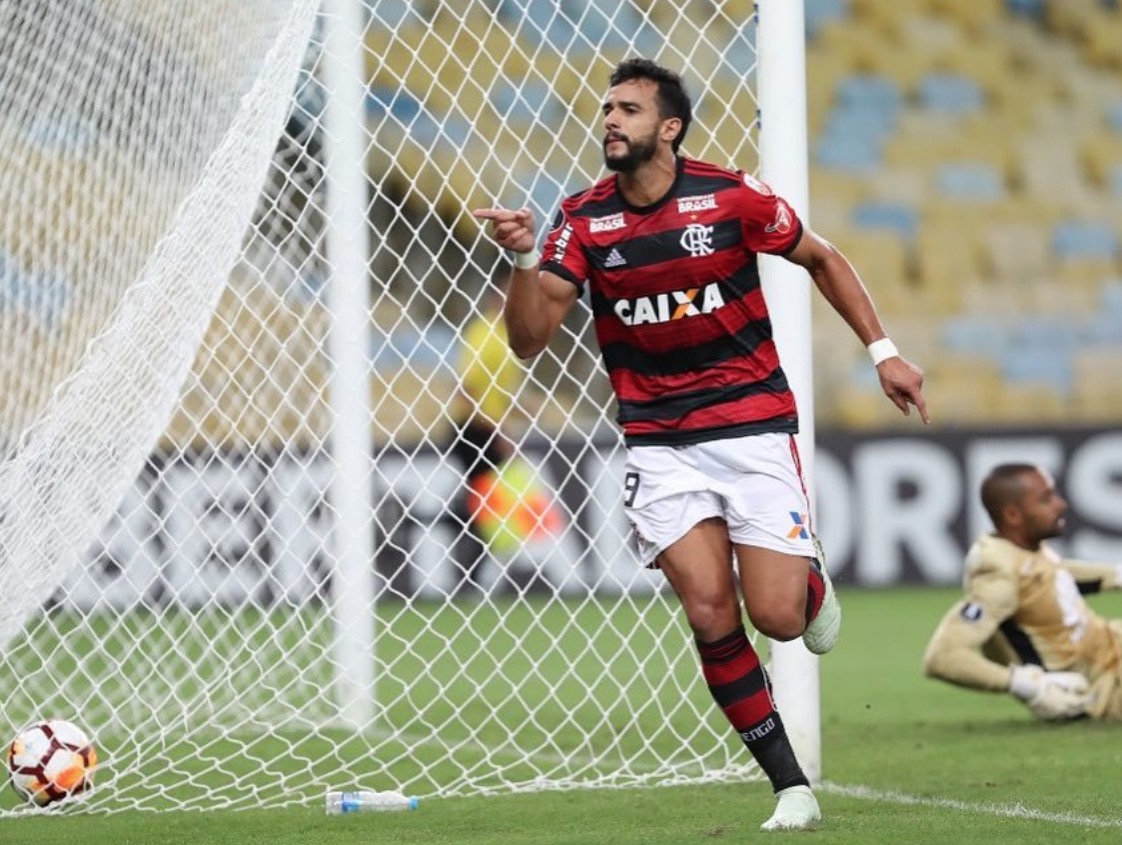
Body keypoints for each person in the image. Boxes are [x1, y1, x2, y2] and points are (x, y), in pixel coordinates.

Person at [473, 58, 928, 831]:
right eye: (607, 108)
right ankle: (790, 785)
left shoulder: (731, 196)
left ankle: (809, 586)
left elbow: (820, 256)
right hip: (658, 442)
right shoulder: (581, 219)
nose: (610, 120)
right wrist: (521, 258)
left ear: (670, 127)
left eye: (628, 109)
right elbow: (528, 340)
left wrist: (883, 351)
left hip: (751, 426)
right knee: (712, 612)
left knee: (779, 618)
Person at [923, 463, 1122, 721]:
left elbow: (1053, 576)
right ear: (1013, 515)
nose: (1060, 504)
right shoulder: (997, 575)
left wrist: (1113, 574)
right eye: (1046, 499)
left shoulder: (1025, 550)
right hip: (1101, 686)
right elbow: (941, 657)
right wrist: (1026, 685)